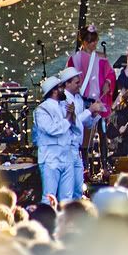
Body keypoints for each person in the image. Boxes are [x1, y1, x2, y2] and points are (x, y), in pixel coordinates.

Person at [59, 67, 102, 199]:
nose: (79, 85)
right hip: (65, 149)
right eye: (77, 82)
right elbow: (72, 122)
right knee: (67, 188)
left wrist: (94, 115)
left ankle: (77, 211)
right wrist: (89, 111)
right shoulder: (62, 100)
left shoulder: (78, 99)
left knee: (78, 187)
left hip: (76, 149)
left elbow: (86, 124)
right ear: (67, 83)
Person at [33, 76, 78, 204]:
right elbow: (52, 130)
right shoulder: (41, 110)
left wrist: (73, 116)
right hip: (50, 157)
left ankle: (66, 222)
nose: (64, 89)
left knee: (67, 197)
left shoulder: (65, 106)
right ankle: (47, 222)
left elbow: (77, 130)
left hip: (67, 154)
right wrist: (68, 118)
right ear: (54, 91)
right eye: (61, 87)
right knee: (49, 196)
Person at [66, 25, 116, 118]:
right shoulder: (74, 59)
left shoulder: (101, 57)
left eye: (96, 40)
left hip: (100, 96)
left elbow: (111, 73)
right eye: (92, 41)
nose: (95, 43)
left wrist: (107, 82)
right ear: (84, 41)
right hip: (80, 97)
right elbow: (68, 79)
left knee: (98, 125)